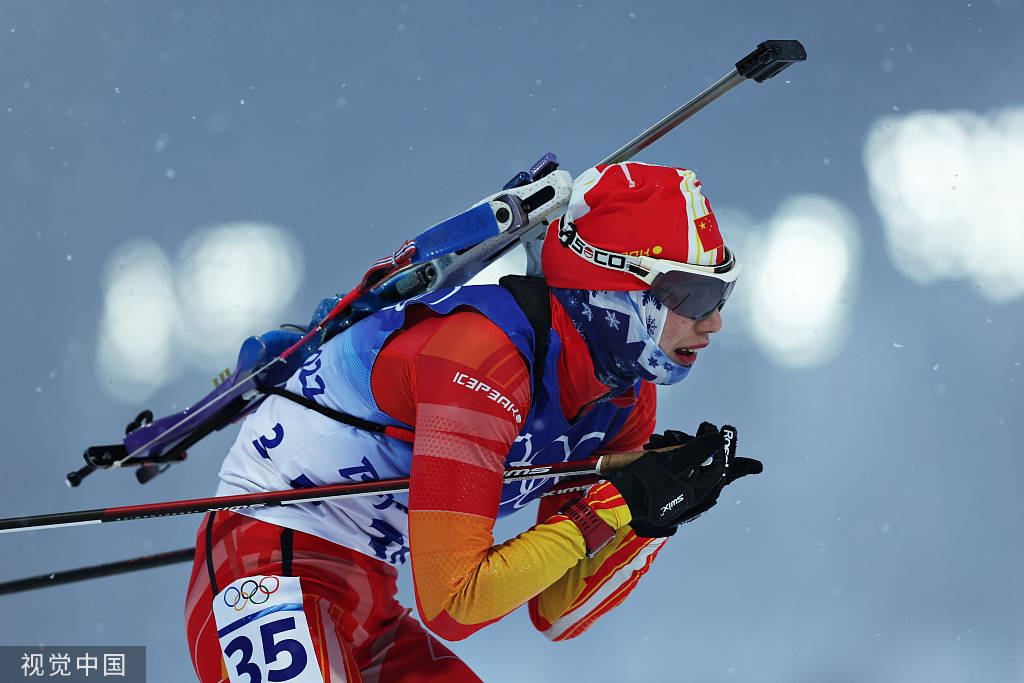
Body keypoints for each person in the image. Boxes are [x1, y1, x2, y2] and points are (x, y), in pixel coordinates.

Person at [184, 161, 762, 682]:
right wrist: (610, 506)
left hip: (371, 604)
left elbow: (557, 612)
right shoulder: (481, 358)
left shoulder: (624, 398)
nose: (711, 324)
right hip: (267, 569)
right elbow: (455, 605)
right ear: (611, 290)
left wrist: (650, 513)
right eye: (691, 296)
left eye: (721, 297)